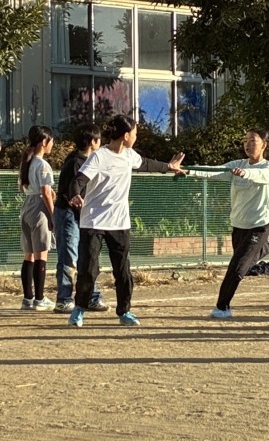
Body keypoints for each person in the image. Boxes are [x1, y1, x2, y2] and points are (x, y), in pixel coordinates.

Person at [66, 115, 185, 327]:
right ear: (126, 135)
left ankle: (125, 311)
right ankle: (79, 309)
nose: (136, 137)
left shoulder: (129, 155)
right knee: (88, 270)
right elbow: (79, 180)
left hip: (119, 223)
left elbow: (146, 164)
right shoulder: (99, 157)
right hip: (93, 222)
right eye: (135, 133)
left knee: (122, 271)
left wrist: (169, 166)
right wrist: (75, 194)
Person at [189, 129, 269, 319]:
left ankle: (222, 307)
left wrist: (246, 173)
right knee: (245, 265)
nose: (247, 144)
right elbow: (214, 171)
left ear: (264, 145)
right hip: (239, 226)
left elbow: (261, 176)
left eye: (253, 140)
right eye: (245, 140)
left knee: (237, 268)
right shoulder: (236, 165)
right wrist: (187, 170)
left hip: (259, 226)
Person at [53, 123, 108, 314]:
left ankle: (91, 296)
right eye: (98, 139)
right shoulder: (76, 161)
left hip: (83, 215)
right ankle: (64, 299)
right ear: (92, 141)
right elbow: (69, 191)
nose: (100, 143)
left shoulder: (88, 161)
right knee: (69, 257)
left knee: (88, 257)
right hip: (69, 214)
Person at [18, 125, 56, 311]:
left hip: (26, 207)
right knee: (41, 253)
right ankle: (39, 299)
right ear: (44, 142)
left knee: (29, 255)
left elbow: (22, 188)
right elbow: (46, 192)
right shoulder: (42, 164)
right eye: (51, 141)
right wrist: (53, 215)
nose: (52, 144)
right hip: (39, 208)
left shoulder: (27, 162)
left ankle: (28, 298)